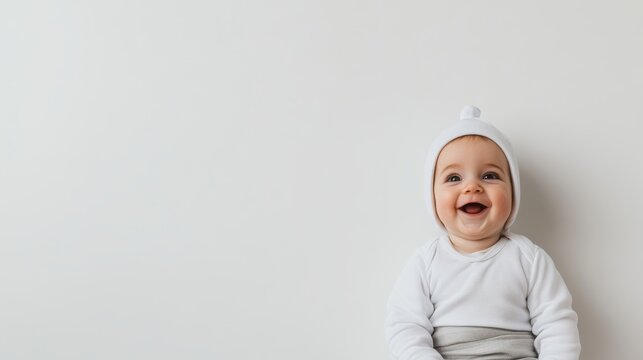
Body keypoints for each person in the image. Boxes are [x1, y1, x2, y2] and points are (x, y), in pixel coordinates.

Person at [385, 106, 581, 359]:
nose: (472, 187)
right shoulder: (426, 261)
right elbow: (404, 326)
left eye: (489, 175)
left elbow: (557, 325)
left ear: (512, 192)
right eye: (454, 178)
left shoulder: (529, 258)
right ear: (432, 197)